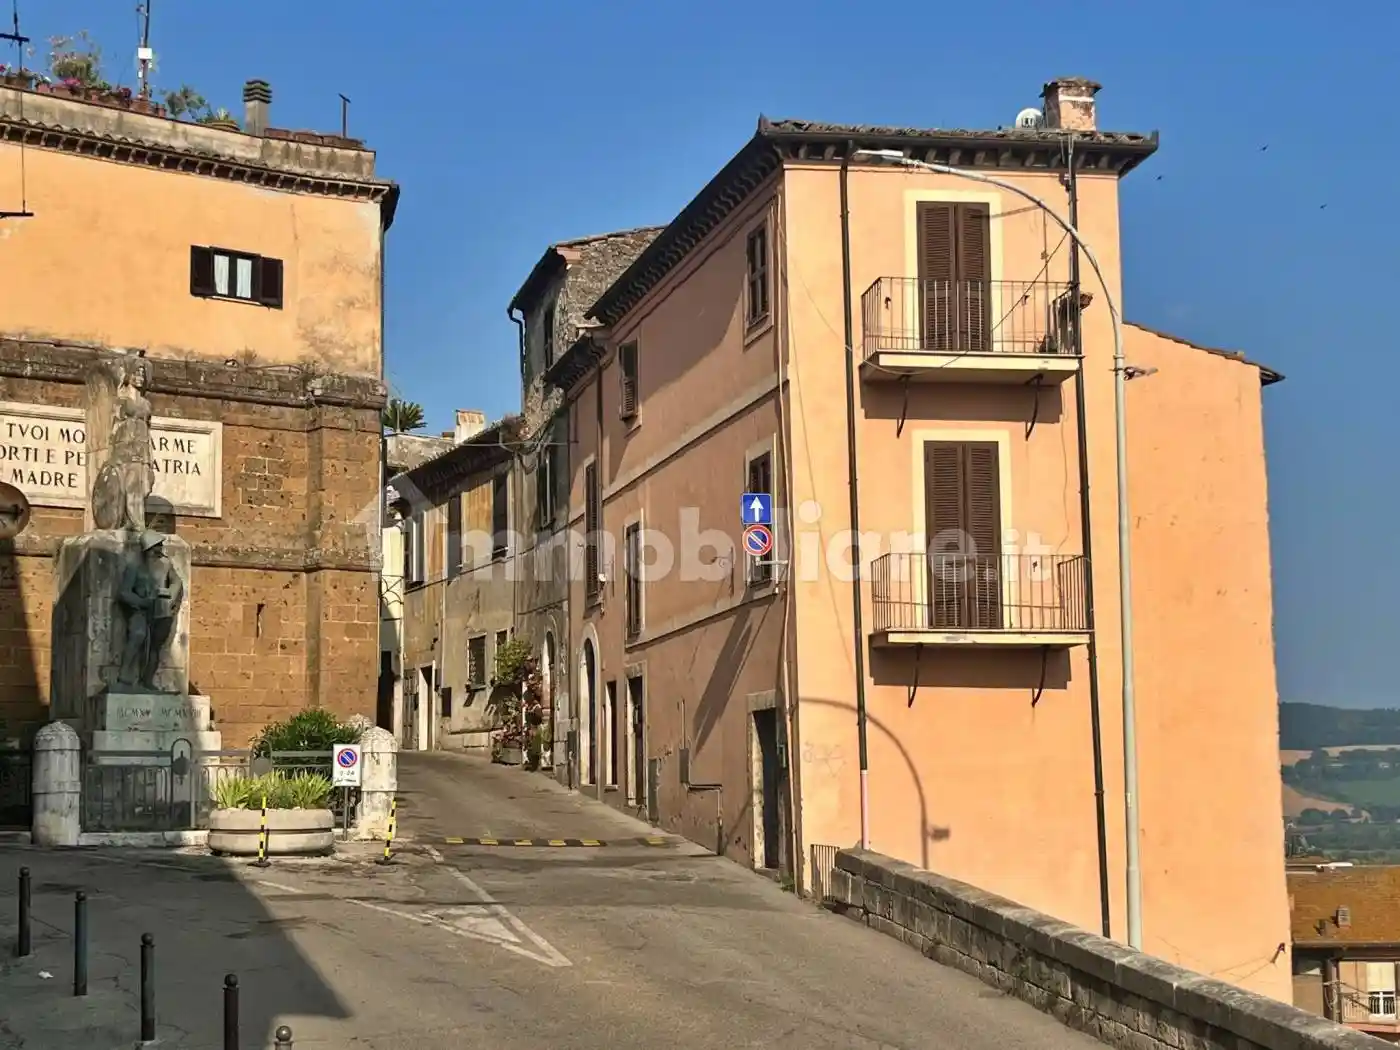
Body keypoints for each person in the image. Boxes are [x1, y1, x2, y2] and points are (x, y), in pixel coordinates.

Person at [116, 530, 184, 690]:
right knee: (138, 635)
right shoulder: (135, 567)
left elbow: (177, 582)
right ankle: (124, 677)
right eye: (157, 546)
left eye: (160, 545)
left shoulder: (166, 564)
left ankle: (147, 680)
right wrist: (141, 601)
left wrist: (170, 595)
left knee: (155, 646)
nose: (160, 548)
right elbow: (124, 592)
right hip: (140, 609)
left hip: (161, 609)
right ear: (148, 548)